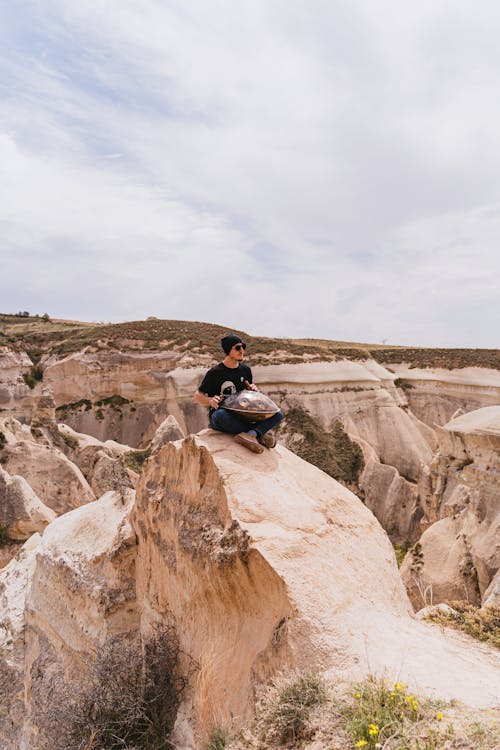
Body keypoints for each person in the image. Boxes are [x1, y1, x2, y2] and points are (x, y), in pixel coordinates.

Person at [194, 333, 283, 454]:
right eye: (237, 348)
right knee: (220, 416)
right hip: (223, 415)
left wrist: (253, 391)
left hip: (244, 416)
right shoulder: (215, 372)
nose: (242, 350)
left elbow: (248, 394)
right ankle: (258, 434)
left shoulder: (245, 370)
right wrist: (210, 400)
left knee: (278, 414)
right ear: (228, 350)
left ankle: (251, 435)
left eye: (243, 347)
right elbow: (197, 396)